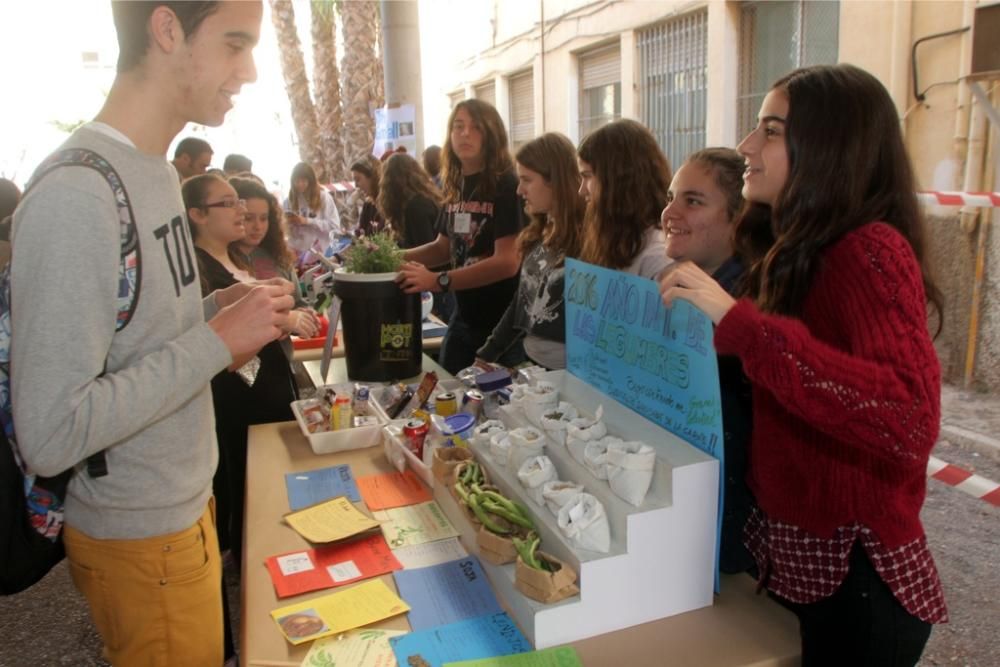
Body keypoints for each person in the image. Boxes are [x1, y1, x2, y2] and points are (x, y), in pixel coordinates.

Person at [10, 2, 292, 665]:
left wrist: (217, 307)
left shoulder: (156, 171)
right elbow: (51, 430)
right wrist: (217, 341)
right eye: (234, 43)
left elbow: (140, 339)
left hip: (183, 510)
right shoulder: (76, 193)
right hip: (141, 535)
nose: (248, 70)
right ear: (167, 31)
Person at [660, 64, 947, 665]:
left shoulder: (870, 250)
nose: (746, 147)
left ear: (829, 146)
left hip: (859, 590)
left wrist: (739, 324)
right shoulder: (794, 250)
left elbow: (907, 416)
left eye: (770, 130)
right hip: (805, 568)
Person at [184, 173, 300, 571]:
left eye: (240, 203)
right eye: (228, 204)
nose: (240, 211)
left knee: (266, 474)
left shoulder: (237, 258)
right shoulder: (196, 270)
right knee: (243, 475)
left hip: (265, 385)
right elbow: (212, 342)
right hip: (238, 392)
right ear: (197, 214)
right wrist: (285, 322)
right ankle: (248, 557)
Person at [660, 147, 756, 574]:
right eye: (672, 196)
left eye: (692, 201)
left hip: (726, 527)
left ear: (737, 219)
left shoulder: (749, 306)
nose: (670, 212)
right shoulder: (676, 283)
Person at [397, 99, 524, 374]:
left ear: (492, 134)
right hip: (462, 318)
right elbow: (443, 248)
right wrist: (393, 258)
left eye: (475, 127)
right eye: (458, 126)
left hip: (501, 326)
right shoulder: (456, 185)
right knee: (448, 397)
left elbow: (507, 262)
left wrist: (439, 281)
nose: (465, 134)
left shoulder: (507, 185)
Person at [476, 133, 584, 370]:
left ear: (555, 181)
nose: (519, 190)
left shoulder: (588, 239)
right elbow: (523, 300)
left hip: (570, 376)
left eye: (527, 180)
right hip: (535, 366)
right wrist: (487, 353)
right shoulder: (541, 231)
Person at [230, 175, 320, 350]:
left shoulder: (278, 257)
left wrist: (304, 315)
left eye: (264, 219)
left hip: (281, 359)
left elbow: (297, 302)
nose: (258, 226)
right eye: (249, 218)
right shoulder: (220, 260)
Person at [577, 118, 672, 279]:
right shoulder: (617, 237)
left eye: (588, 176)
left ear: (618, 180)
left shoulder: (657, 257)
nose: (581, 191)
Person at [283, 161, 342, 261]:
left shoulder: (323, 197)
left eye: (303, 180)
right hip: (295, 250)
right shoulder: (289, 200)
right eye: (296, 181)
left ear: (311, 181)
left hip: (318, 252)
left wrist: (307, 221)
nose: (300, 184)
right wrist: (288, 223)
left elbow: (334, 226)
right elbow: (286, 231)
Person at [350, 154, 385, 237]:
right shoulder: (368, 205)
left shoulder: (388, 204)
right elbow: (362, 232)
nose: (356, 185)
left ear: (372, 177)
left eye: (358, 179)